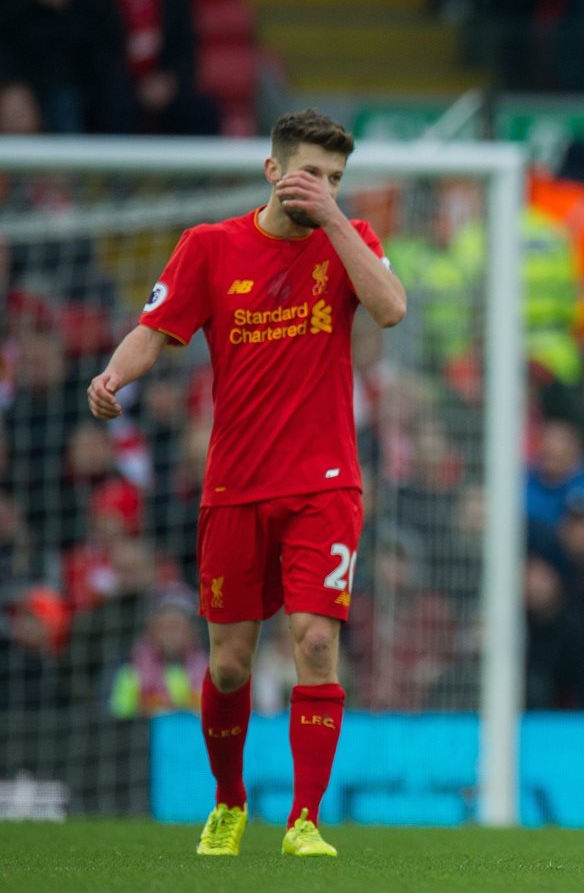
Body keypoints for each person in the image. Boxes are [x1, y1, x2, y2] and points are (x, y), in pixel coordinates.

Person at [86, 109, 406, 858]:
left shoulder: (350, 242)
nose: (321, 187)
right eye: (309, 174)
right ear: (272, 170)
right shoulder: (210, 246)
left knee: (316, 641)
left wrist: (334, 221)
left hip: (325, 484)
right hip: (233, 485)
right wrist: (113, 375)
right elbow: (153, 329)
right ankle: (229, 801)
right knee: (228, 660)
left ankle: (302, 819)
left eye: (334, 178)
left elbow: (391, 309)